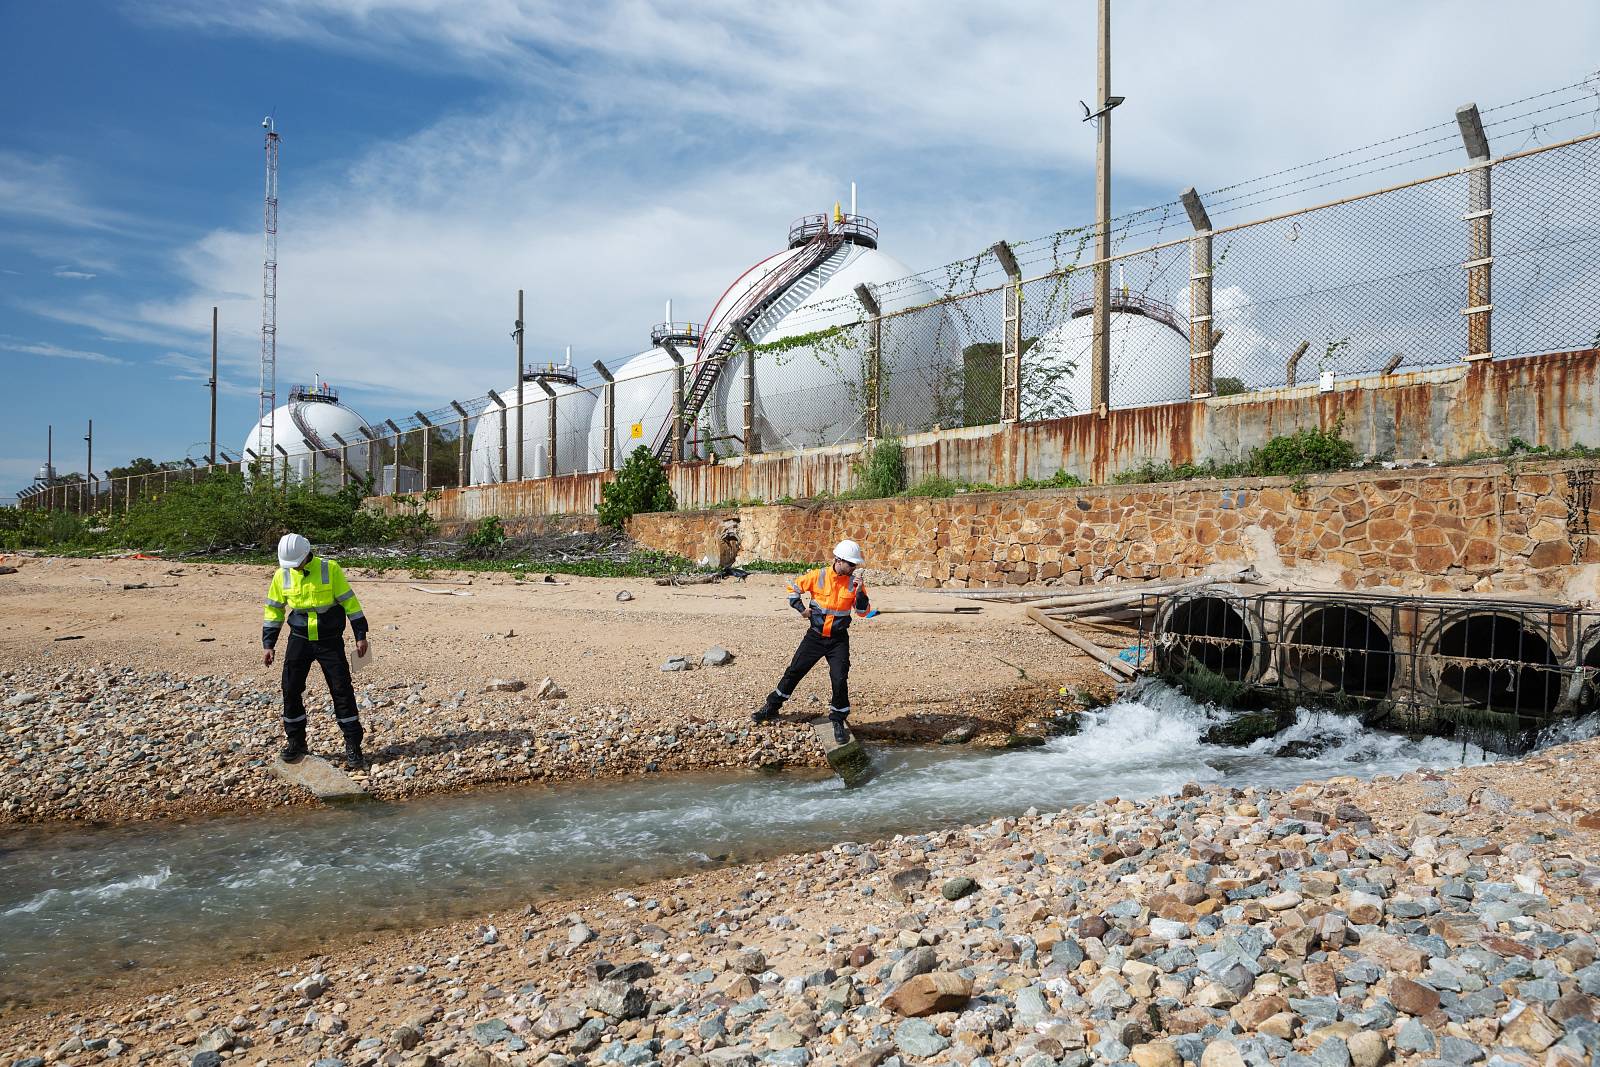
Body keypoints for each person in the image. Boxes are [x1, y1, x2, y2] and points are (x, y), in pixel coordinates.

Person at [261, 533, 371, 769]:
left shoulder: (330, 569)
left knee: (341, 690)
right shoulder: (282, 575)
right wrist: (268, 644)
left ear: (306, 554)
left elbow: (351, 603)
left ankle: (353, 745)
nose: (294, 567)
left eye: (297, 563)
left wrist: (360, 635)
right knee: (290, 689)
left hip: (329, 641)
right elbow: (274, 611)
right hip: (299, 639)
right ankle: (296, 742)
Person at [753, 538, 877, 743]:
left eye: (855, 564)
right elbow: (792, 588)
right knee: (794, 671)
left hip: (838, 640)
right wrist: (801, 609)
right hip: (815, 637)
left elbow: (863, 612)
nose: (854, 567)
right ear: (839, 560)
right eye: (851, 564)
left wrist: (859, 592)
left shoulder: (854, 584)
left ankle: (837, 718)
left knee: (839, 678)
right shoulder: (818, 576)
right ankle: (771, 707)